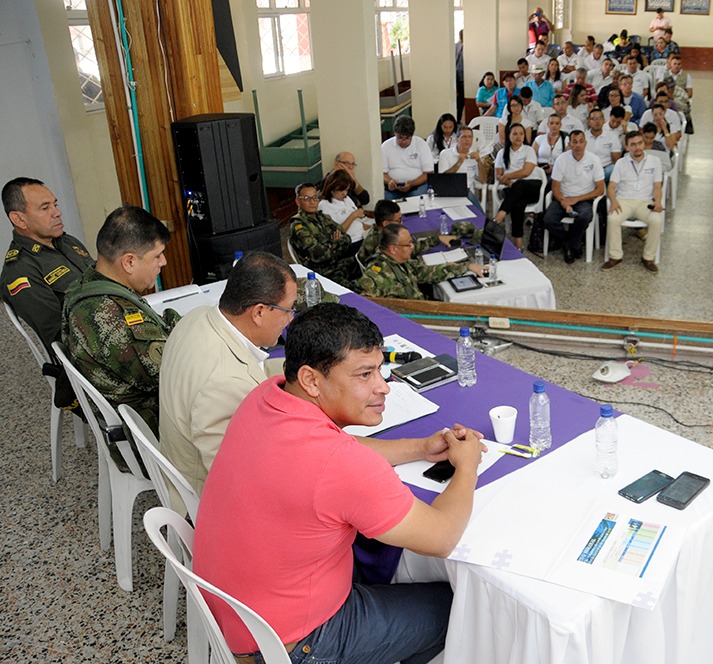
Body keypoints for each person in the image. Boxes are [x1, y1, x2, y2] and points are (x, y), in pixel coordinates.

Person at [193, 302, 486, 664]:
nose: (383, 388)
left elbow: (338, 448)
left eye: (380, 370)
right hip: (292, 643)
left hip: (239, 613)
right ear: (312, 379)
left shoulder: (267, 396)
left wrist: (420, 448)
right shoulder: (342, 466)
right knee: (460, 607)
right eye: (364, 375)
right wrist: (467, 466)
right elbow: (442, 538)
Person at [159, 252, 297, 499]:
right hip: (201, 498)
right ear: (259, 312)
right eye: (288, 310)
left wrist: (307, 371)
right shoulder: (223, 385)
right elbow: (233, 481)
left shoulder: (198, 316)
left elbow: (252, 368)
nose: (290, 319)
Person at [61, 206, 178, 436]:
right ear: (129, 262)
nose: (163, 262)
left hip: (138, 412)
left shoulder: (89, 282)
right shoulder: (113, 320)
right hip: (151, 434)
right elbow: (177, 378)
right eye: (157, 255)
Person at [2, 177, 94, 352]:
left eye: (55, 205)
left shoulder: (67, 242)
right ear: (19, 219)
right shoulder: (20, 270)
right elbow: (59, 338)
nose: (57, 212)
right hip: (90, 354)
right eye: (45, 208)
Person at [356, 225, 484, 299]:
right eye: (408, 244)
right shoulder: (378, 273)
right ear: (393, 249)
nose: (413, 247)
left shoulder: (400, 261)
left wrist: (467, 266)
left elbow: (425, 272)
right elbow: (364, 302)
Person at [604, 131, 664, 273]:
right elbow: (611, 187)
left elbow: (657, 186)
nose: (637, 147)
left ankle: (648, 258)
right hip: (624, 200)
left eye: (639, 143)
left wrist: (658, 202)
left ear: (643, 143)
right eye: (633, 144)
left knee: (656, 220)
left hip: (645, 201)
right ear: (627, 146)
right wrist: (613, 202)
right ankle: (616, 256)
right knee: (613, 218)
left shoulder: (654, 161)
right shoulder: (620, 163)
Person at [542, 130, 606, 264]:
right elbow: (555, 187)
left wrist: (577, 199)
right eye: (574, 142)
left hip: (584, 199)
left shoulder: (594, 160)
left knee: (584, 216)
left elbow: (600, 189)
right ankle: (572, 243)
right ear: (569, 144)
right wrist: (564, 202)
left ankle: (570, 246)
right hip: (563, 197)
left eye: (581, 141)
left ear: (585, 143)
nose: (578, 145)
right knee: (548, 220)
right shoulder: (562, 159)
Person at [356, 200, 468, 266]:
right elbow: (413, 265)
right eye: (398, 220)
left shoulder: (377, 230)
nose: (402, 223)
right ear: (385, 223)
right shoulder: (382, 244)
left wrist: (437, 239)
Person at [290, 182, 358, 285]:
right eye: (306, 198)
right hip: (321, 273)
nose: (312, 202)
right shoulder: (298, 225)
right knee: (354, 291)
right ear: (298, 201)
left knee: (365, 261)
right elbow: (318, 255)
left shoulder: (323, 218)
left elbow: (347, 239)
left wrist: (331, 245)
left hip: (335, 263)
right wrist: (335, 241)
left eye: (315, 197)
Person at [493, 123, 543, 249]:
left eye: (521, 134)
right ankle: (518, 244)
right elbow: (498, 175)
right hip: (513, 189)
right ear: (509, 136)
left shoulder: (528, 150)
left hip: (532, 186)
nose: (518, 137)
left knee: (519, 184)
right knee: (518, 204)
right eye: (515, 134)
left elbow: (526, 172)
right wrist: (509, 182)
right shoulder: (502, 153)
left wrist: (509, 177)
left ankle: (500, 215)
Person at [382, 116, 433, 200]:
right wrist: (390, 182)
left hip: (417, 186)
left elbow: (428, 173)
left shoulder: (421, 144)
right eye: (400, 137)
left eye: (407, 138)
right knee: (385, 200)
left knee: (418, 200)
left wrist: (412, 183)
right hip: (392, 189)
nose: (404, 141)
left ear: (412, 135)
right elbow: (382, 174)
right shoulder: (386, 146)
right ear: (395, 133)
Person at [437, 125, 486, 212]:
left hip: (467, 191)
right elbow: (442, 179)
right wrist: (459, 163)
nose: (467, 140)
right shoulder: (445, 154)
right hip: (449, 190)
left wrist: (479, 162)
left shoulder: (474, 156)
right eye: (464, 137)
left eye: (470, 137)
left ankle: (483, 220)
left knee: (475, 210)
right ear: (457, 139)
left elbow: (483, 180)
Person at [319, 171, 370, 245]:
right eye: (341, 190)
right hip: (350, 242)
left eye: (346, 190)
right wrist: (353, 215)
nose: (344, 193)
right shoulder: (324, 205)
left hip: (362, 236)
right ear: (332, 189)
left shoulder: (347, 199)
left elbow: (358, 223)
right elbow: (336, 233)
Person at [584, 107, 622, 182]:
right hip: (587, 169)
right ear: (588, 121)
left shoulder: (612, 137)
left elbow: (616, 160)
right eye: (594, 119)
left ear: (604, 120)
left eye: (599, 118)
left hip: (606, 169)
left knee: (614, 168)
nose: (597, 121)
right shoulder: (583, 137)